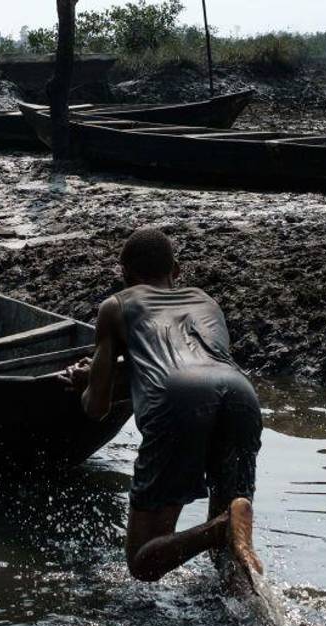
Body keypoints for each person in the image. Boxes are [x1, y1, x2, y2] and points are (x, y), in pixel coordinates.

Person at [63, 229, 264, 584]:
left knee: (143, 563)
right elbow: (187, 361)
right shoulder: (206, 301)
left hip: (179, 399)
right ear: (177, 269)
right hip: (240, 393)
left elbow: (97, 408)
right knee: (232, 546)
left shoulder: (116, 306)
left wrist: (87, 382)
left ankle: (216, 530)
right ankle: (247, 605)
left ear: (124, 275)